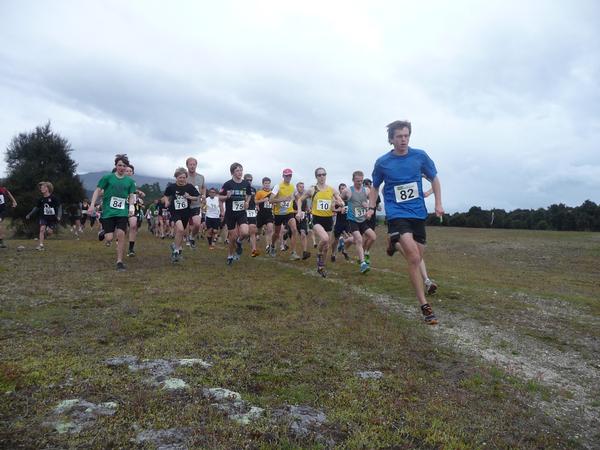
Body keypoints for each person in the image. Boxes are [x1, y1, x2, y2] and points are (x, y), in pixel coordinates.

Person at [367, 120, 444, 325]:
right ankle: (424, 305)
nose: (403, 140)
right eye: (399, 136)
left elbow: (434, 179)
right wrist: (371, 207)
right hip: (397, 213)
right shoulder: (383, 162)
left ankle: (394, 243)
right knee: (412, 256)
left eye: (406, 135)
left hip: (418, 213)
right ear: (391, 139)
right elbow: (375, 187)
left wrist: (438, 203)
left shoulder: (420, 156)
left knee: (418, 256)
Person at [88, 154, 137, 271]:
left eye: (124, 166)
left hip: (122, 212)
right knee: (109, 238)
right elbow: (97, 190)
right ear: (116, 166)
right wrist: (92, 205)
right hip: (109, 212)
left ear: (126, 168)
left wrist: (131, 208)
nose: (121, 168)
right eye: (119, 165)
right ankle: (104, 232)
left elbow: (131, 196)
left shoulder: (130, 181)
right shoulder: (107, 178)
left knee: (121, 235)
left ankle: (119, 261)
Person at [297, 167, 344, 277]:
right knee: (325, 239)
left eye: (324, 174)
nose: (322, 176)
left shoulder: (331, 189)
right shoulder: (312, 189)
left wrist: (340, 203)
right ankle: (318, 253)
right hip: (317, 219)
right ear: (316, 177)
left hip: (328, 219)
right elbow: (300, 200)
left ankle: (321, 266)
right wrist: (299, 211)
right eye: (319, 175)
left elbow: (339, 199)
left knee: (327, 246)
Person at [162, 167, 201, 263]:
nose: (182, 179)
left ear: (186, 178)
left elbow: (196, 197)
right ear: (176, 177)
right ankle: (176, 252)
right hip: (175, 211)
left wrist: (189, 196)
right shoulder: (171, 187)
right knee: (180, 229)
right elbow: (166, 195)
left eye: (184, 177)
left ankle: (175, 246)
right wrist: (166, 202)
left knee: (181, 232)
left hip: (185, 212)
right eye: (180, 177)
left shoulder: (189, 187)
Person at [341, 170, 377, 273]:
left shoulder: (366, 190)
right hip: (352, 220)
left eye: (361, 181)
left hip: (362, 220)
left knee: (373, 237)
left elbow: (373, 199)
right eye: (357, 181)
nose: (359, 183)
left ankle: (344, 242)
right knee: (359, 240)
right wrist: (342, 205)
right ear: (353, 180)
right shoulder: (348, 191)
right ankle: (362, 263)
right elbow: (339, 198)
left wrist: (369, 206)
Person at [219, 162, 252, 265]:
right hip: (231, 214)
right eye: (237, 170)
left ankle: (239, 241)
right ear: (232, 172)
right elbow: (220, 197)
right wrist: (227, 197)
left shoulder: (245, 184)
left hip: (241, 213)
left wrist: (247, 202)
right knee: (232, 237)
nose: (240, 172)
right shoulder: (228, 184)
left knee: (245, 232)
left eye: (241, 170)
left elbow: (249, 195)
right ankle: (230, 255)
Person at [270, 168, 301, 260]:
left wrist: (299, 210)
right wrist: (283, 199)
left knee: (294, 229)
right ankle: (272, 246)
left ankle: (293, 252)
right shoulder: (278, 186)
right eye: (286, 175)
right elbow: (271, 200)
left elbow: (298, 198)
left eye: (290, 175)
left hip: (289, 212)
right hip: (279, 213)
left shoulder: (292, 187)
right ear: (283, 176)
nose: (288, 177)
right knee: (276, 233)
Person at [26, 181, 61, 251]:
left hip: (52, 218)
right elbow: (36, 208)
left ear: (47, 189)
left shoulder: (54, 198)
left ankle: (49, 229)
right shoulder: (41, 199)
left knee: (49, 232)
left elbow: (59, 207)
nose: (41, 189)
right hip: (43, 217)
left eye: (43, 187)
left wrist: (59, 215)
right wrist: (29, 214)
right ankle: (41, 245)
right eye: (41, 188)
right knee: (42, 229)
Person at [185, 157, 206, 249]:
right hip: (185, 204)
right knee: (185, 224)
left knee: (197, 224)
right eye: (190, 164)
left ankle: (192, 237)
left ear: (196, 165)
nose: (192, 166)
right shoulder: (183, 177)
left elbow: (203, 188)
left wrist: (204, 195)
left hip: (196, 204)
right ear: (187, 165)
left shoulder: (201, 177)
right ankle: (186, 239)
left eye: (194, 164)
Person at [255, 176, 275, 254]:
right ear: (263, 184)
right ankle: (253, 236)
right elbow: (255, 202)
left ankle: (268, 246)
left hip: (269, 214)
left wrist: (273, 207)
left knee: (270, 229)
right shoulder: (260, 192)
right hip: (261, 214)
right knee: (258, 231)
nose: (267, 185)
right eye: (265, 183)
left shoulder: (272, 193)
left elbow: (274, 202)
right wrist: (263, 200)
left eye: (268, 183)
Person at [243, 173, 260, 257]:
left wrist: (257, 205)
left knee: (253, 229)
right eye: (247, 180)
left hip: (252, 211)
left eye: (251, 180)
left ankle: (254, 250)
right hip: (243, 211)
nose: (249, 181)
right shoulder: (241, 188)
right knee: (245, 233)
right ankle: (239, 241)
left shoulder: (253, 189)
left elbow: (255, 199)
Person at [295, 182, 311, 260]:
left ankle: (304, 252)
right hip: (294, 216)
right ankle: (284, 242)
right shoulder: (295, 195)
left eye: (303, 187)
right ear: (297, 187)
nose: (302, 188)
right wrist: (298, 212)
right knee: (291, 233)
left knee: (303, 233)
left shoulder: (304, 197)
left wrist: (309, 210)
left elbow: (306, 206)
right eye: (300, 187)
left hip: (303, 217)